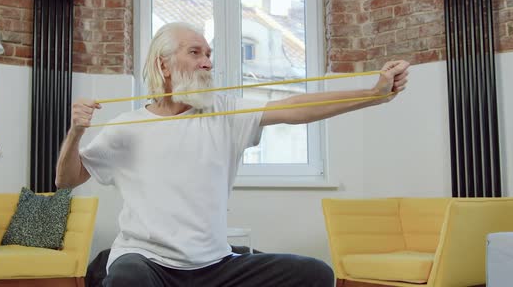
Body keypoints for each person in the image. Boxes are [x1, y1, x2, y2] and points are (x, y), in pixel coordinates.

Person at [55, 22, 409, 287]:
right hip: (148, 262)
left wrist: (372, 94)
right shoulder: (126, 126)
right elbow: (66, 179)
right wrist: (76, 132)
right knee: (125, 278)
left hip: (215, 265)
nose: (207, 62)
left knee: (316, 274)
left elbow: (295, 107)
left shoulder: (223, 114)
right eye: (195, 52)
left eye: (209, 54)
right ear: (164, 66)